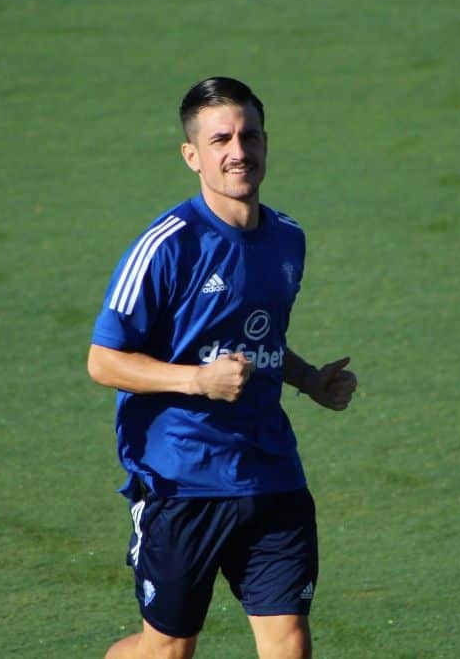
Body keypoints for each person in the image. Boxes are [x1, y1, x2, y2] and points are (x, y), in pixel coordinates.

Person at [87, 76, 358, 659]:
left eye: (250, 135)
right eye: (220, 140)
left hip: (271, 471)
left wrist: (309, 380)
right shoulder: (167, 246)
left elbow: (255, 343)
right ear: (192, 155)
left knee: (288, 644)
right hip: (180, 478)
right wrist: (196, 381)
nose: (239, 151)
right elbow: (103, 360)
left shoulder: (288, 239)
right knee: (166, 650)